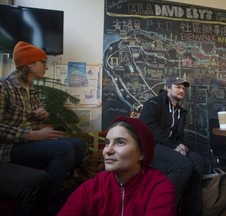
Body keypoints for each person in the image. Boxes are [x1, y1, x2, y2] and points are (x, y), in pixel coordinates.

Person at [0, 41, 86, 195]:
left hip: (26, 143)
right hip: (8, 149)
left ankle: (61, 185)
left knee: (78, 144)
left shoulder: (31, 89)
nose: (46, 67)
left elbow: (28, 121)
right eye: (43, 63)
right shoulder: (3, 87)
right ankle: (45, 200)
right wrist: (32, 135)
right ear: (29, 63)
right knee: (64, 148)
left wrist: (39, 116)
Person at [58, 116, 177, 216]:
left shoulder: (159, 188)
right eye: (107, 143)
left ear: (142, 153)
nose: (107, 151)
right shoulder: (94, 186)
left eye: (120, 142)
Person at [140, 76, 203, 216]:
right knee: (184, 164)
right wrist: (174, 147)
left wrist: (180, 144)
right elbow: (148, 127)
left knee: (197, 160)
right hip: (151, 147)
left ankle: (191, 212)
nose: (181, 90)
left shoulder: (181, 112)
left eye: (183, 88)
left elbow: (178, 136)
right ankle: (162, 209)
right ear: (168, 88)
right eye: (177, 87)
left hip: (170, 147)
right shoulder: (153, 103)